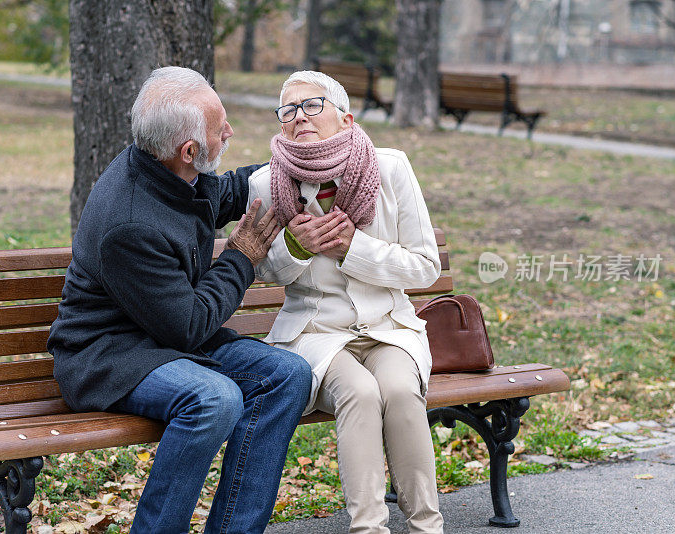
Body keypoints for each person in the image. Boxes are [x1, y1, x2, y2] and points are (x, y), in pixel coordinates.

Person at [47, 66, 312, 534]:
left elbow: (226, 193)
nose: (230, 131)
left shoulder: (169, 169)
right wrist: (241, 257)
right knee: (214, 399)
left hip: (164, 337)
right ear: (189, 150)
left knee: (287, 375)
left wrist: (298, 165)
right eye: (220, 128)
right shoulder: (129, 222)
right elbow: (190, 325)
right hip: (110, 355)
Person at [247, 71, 444, 534]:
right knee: (359, 393)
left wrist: (353, 249)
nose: (300, 117)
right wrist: (297, 248)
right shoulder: (265, 184)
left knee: (398, 391)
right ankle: (368, 528)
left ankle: (427, 526)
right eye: (289, 110)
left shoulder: (389, 167)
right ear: (281, 126)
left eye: (313, 105)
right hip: (317, 334)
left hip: (388, 328)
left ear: (345, 118)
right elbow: (261, 272)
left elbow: (425, 266)